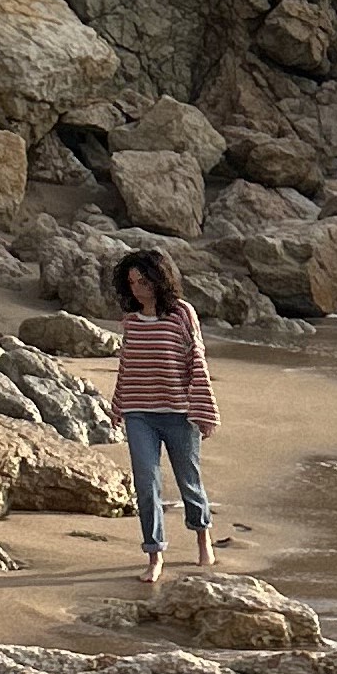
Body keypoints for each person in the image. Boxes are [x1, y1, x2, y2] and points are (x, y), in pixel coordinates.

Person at [109, 249, 218, 585]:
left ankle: (203, 536)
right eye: (132, 283)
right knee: (146, 483)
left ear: (160, 279)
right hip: (139, 412)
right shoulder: (131, 321)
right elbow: (127, 366)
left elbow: (196, 362)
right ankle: (154, 554)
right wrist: (117, 404)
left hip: (179, 412)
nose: (139, 289)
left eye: (144, 281)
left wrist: (204, 408)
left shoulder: (183, 314)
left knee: (189, 481)